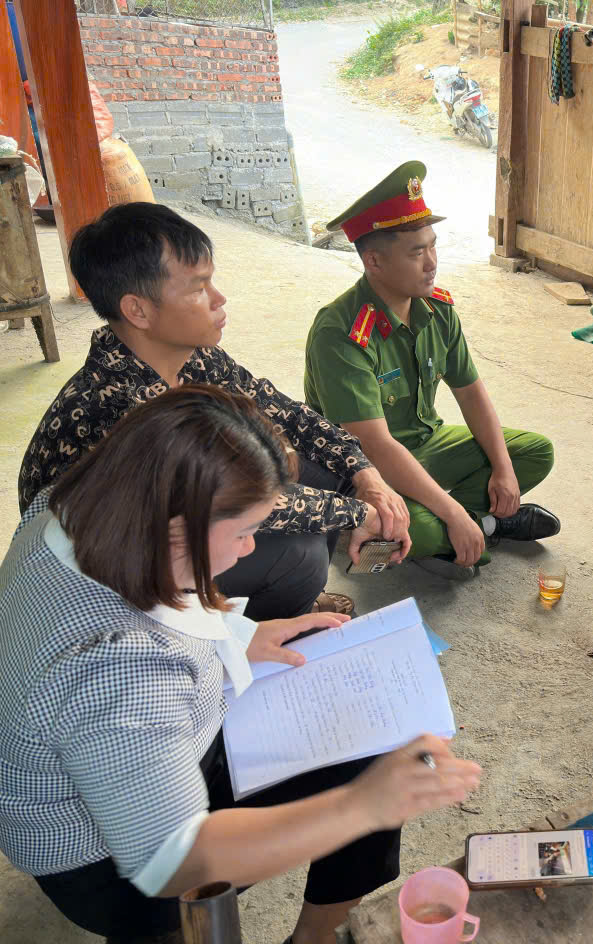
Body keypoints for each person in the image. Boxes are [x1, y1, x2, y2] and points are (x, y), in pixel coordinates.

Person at [0, 385, 482, 944]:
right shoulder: (119, 663)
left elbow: (152, 616)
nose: (251, 549)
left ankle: (313, 936)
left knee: (359, 725)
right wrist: (364, 806)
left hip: (123, 761)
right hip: (109, 863)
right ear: (177, 527)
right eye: (245, 532)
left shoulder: (71, 505)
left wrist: (240, 635)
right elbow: (172, 864)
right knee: (370, 764)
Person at [17, 202, 410, 622]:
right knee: (300, 551)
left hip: (184, 526)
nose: (219, 298)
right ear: (138, 310)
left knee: (325, 471)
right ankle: (255, 636)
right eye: (198, 288)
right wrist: (358, 513)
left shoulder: (195, 358)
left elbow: (287, 414)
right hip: (115, 579)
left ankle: (285, 601)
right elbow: (230, 503)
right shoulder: (114, 409)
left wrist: (365, 476)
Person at [304, 161, 558, 579]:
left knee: (533, 452)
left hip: (426, 444)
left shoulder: (437, 309)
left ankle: (460, 531)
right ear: (374, 261)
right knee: (407, 532)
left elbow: (471, 392)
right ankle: (483, 527)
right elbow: (376, 447)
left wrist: (503, 469)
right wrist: (453, 512)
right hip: (361, 472)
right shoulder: (341, 333)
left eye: (432, 247)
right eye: (416, 253)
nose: (431, 263)